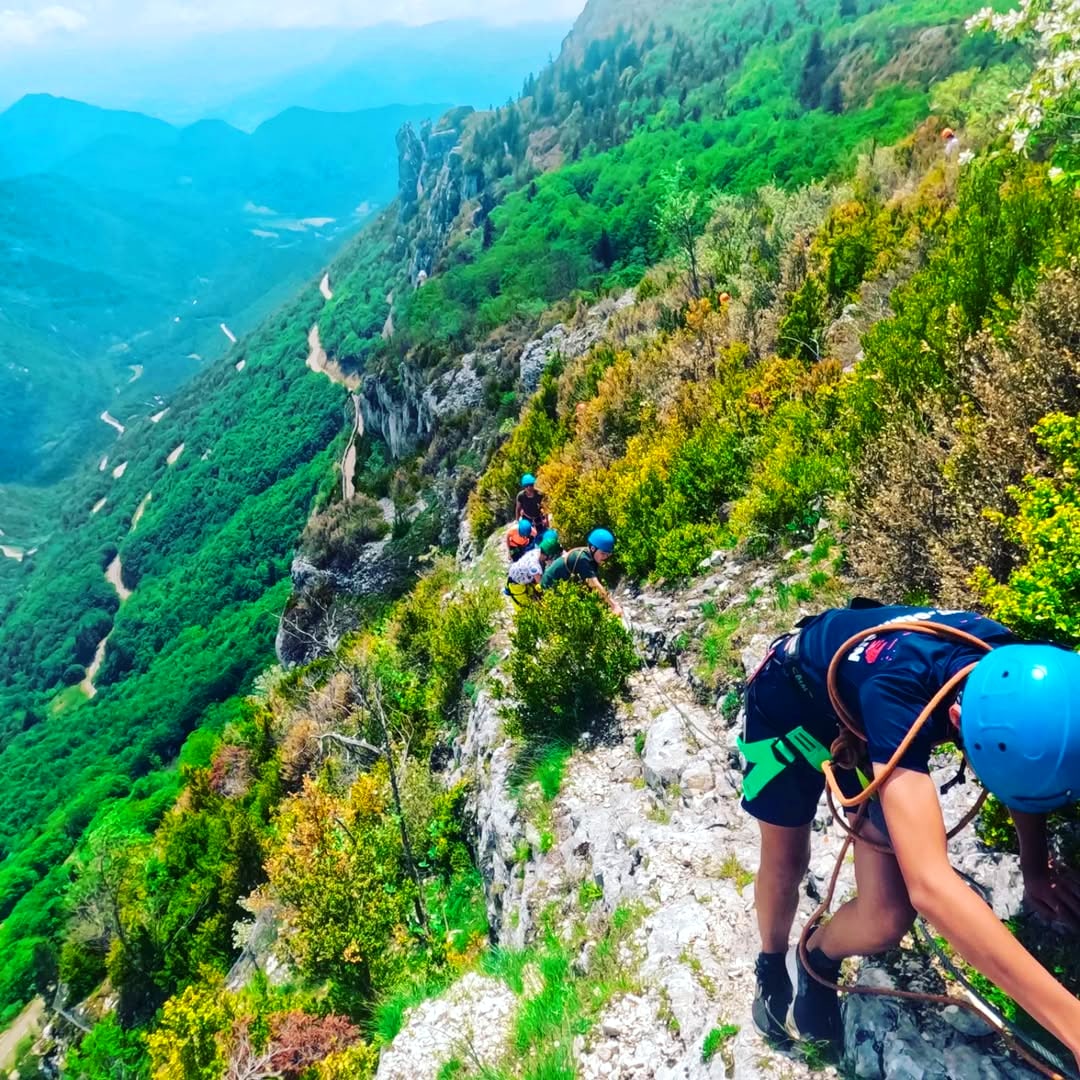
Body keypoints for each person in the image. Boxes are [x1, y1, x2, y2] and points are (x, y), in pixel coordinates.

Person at [741, 602, 1080, 1068]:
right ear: (959, 723)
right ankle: (771, 960)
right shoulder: (898, 693)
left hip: (859, 716)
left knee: (883, 918)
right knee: (786, 861)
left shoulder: (1026, 670)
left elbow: (1025, 769)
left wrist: (1034, 868)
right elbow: (932, 887)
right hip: (788, 699)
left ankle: (817, 958)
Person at [541, 528, 623, 617]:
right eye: (603, 553)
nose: (605, 557)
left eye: (608, 554)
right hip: (549, 585)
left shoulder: (590, 557)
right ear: (592, 548)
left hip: (561, 581)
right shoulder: (583, 559)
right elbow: (595, 585)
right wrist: (613, 606)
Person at [506, 535, 561, 606]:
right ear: (548, 555)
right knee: (526, 607)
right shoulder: (535, 566)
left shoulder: (538, 552)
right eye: (553, 557)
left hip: (525, 577)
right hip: (516, 584)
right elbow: (542, 585)